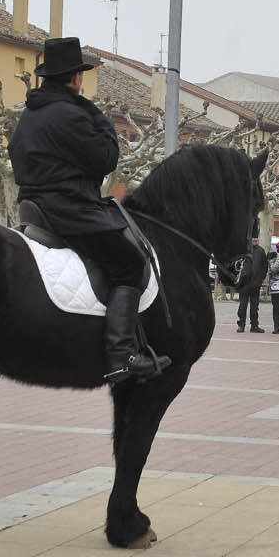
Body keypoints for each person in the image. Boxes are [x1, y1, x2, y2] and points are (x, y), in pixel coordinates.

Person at [8, 36, 163, 383]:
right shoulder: (71, 115)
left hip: (32, 206)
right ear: (75, 78)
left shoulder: (30, 115)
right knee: (128, 263)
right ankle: (122, 354)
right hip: (68, 209)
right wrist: (98, 116)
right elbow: (106, 158)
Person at [235, 237, 269, 333]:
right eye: (253, 238)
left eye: (256, 238)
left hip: (255, 283)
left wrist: (260, 279)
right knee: (242, 306)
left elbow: (265, 266)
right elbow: (237, 264)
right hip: (244, 283)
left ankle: (254, 326)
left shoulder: (261, 251)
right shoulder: (243, 250)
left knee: (255, 306)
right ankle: (241, 325)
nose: (255, 239)